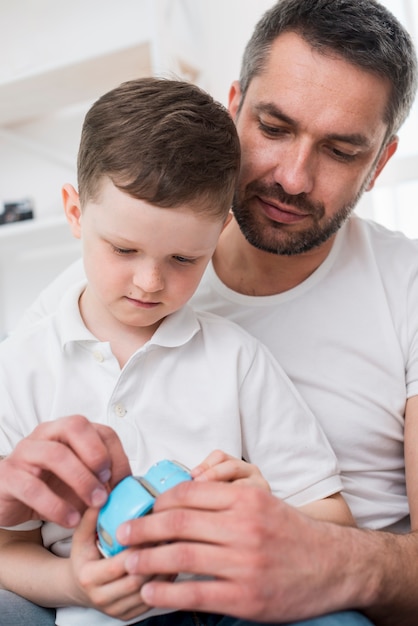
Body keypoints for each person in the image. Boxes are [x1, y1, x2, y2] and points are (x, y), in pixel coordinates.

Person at [13, 0, 418, 624]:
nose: (293, 177)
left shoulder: (398, 290)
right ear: (235, 107)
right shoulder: (75, 304)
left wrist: (302, 544)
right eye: (274, 127)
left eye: (340, 150)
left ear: (380, 163)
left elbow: (325, 513)